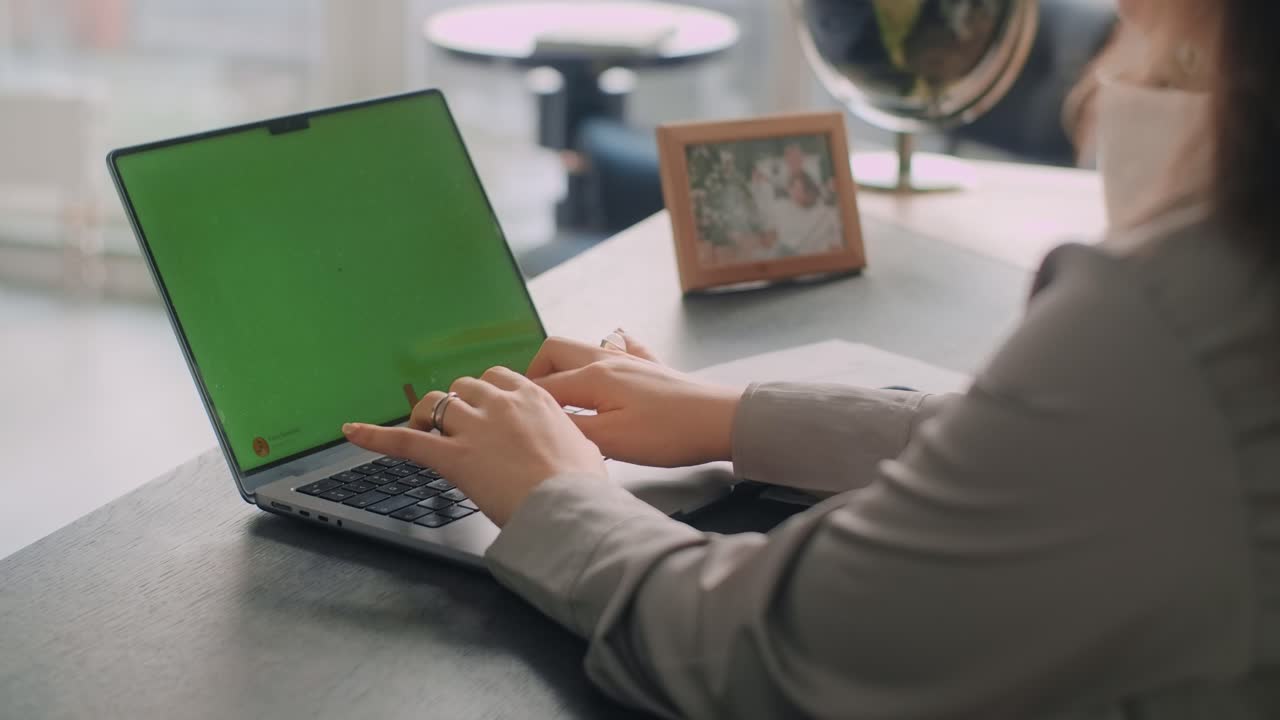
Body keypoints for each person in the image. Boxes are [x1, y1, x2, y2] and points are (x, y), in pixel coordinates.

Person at [342, 2, 1280, 717]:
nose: (1105, 69)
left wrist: (556, 491)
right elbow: (1094, 456)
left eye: (1146, 24)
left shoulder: (1171, 318)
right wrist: (732, 415)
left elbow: (754, 652)